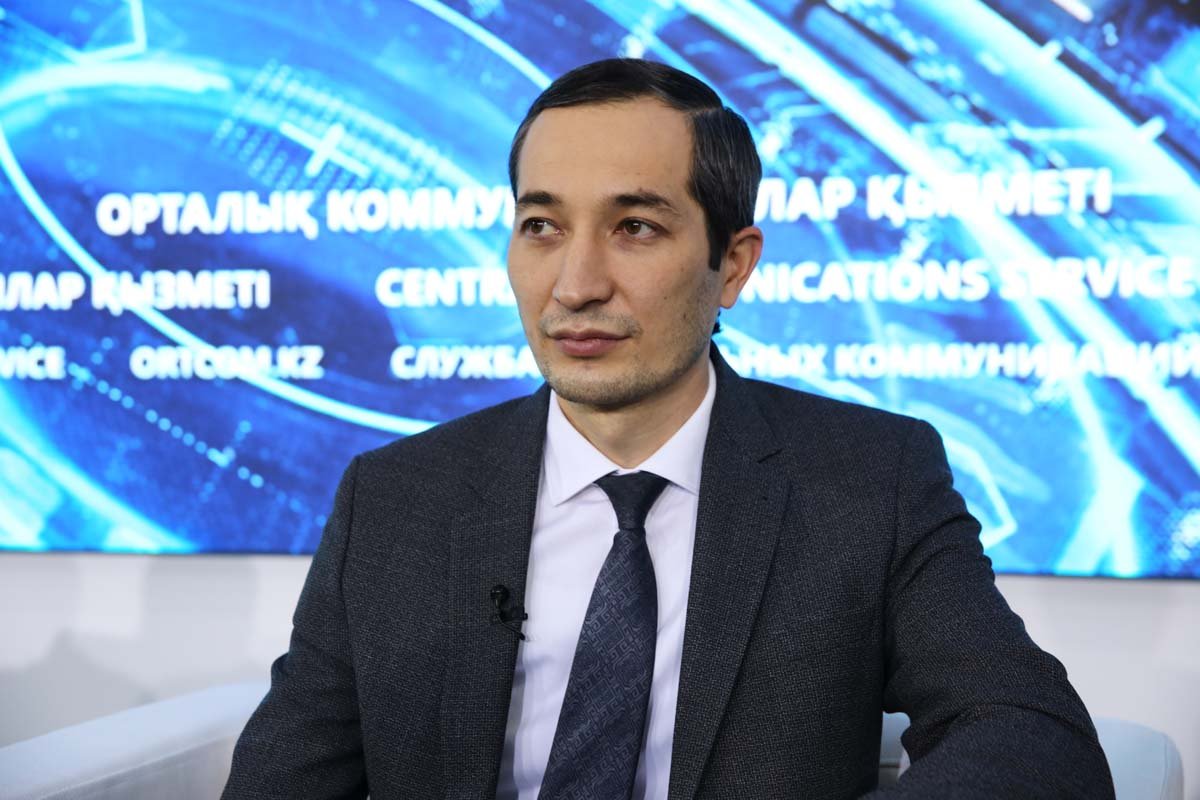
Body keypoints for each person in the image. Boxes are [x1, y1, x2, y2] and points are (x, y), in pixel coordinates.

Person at [223, 58, 1115, 799]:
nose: (576, 285)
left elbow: (1029, 735)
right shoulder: (395, 498)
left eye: (636, 227)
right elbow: (284, 777)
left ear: (733, 265)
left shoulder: (870, 481)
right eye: (542, 225)